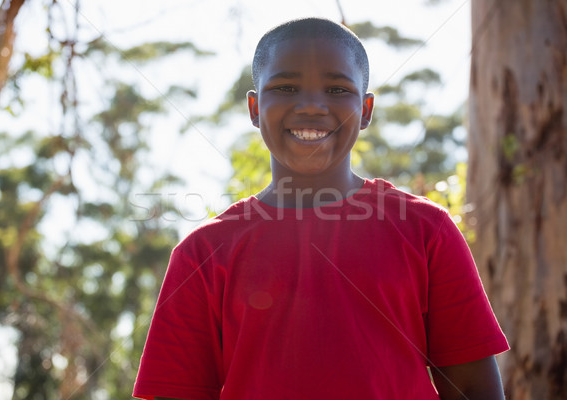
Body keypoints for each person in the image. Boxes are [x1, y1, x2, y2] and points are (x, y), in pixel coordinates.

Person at [133, 18, 509, 400]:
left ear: (365, 110)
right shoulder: (202, 252)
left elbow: (473, 388)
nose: (312, 105)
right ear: (254, 107)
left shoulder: (426, 229)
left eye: (336, 88)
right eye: (285, 87)